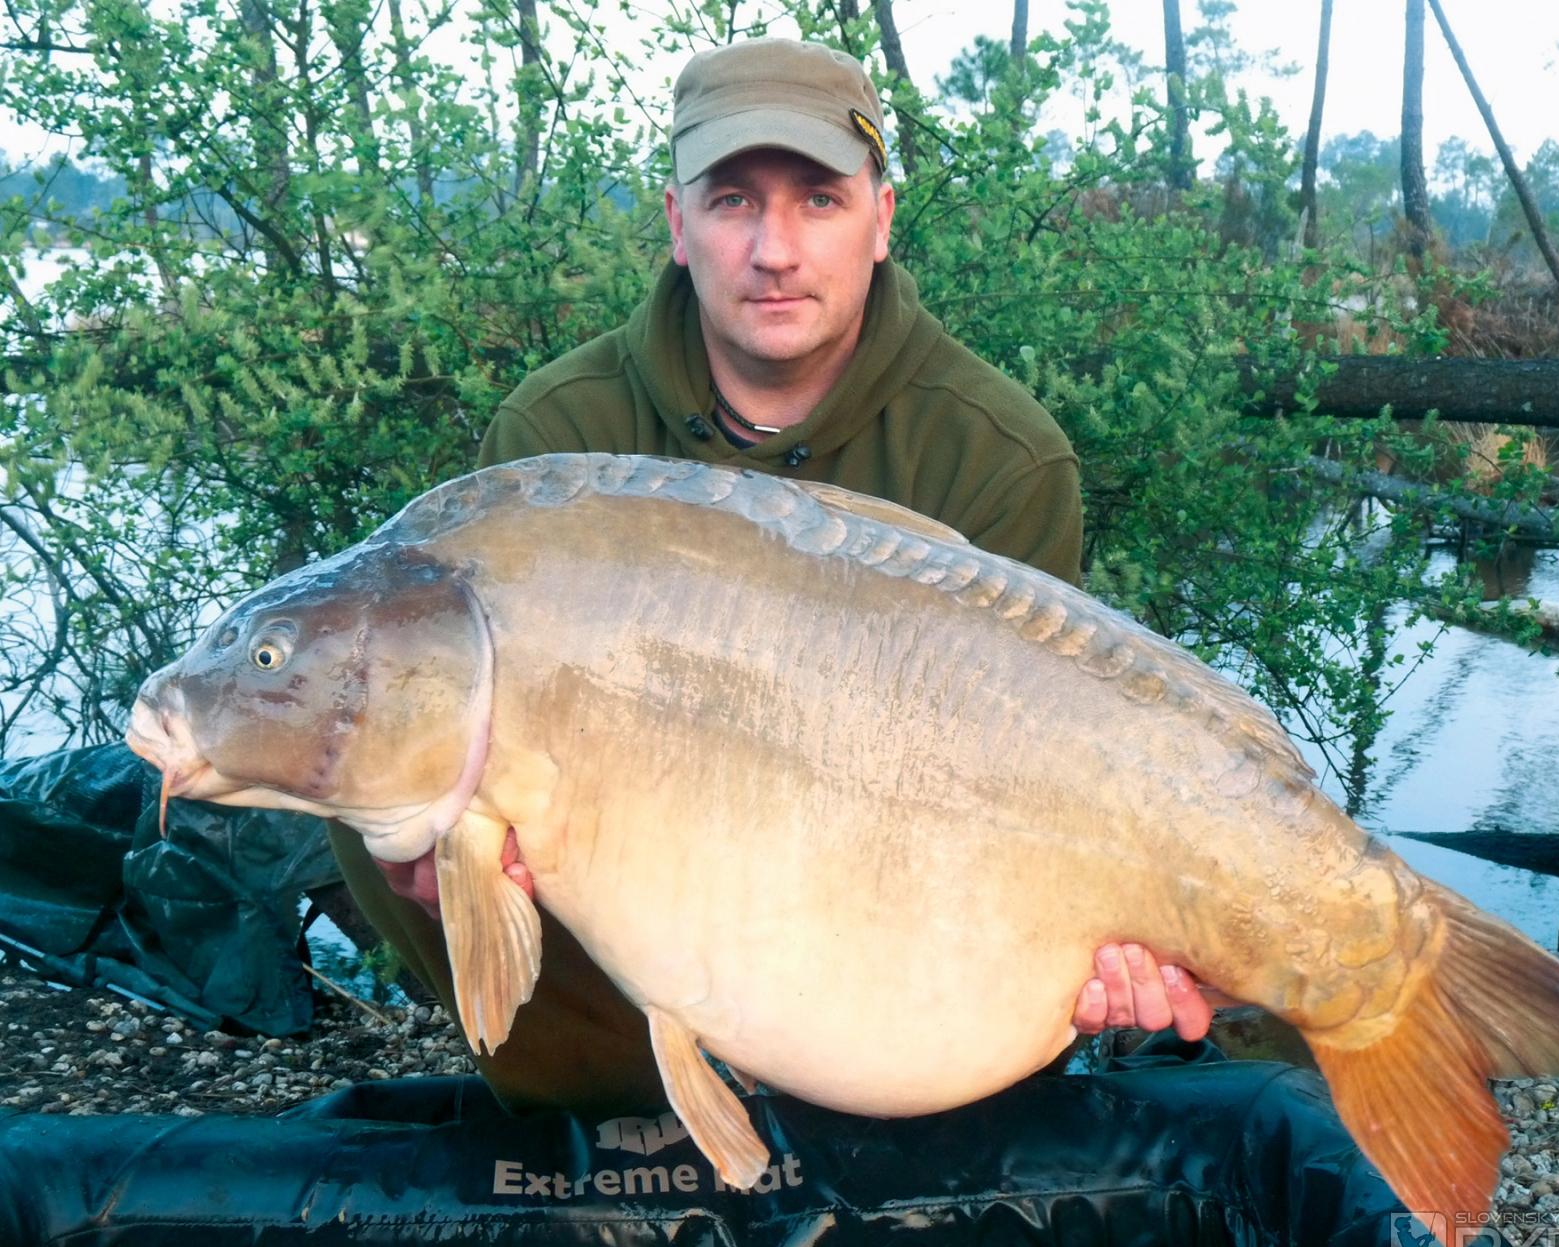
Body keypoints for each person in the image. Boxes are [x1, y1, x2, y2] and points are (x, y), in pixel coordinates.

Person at [324, 36, 1209, 1117]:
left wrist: (1118, 939)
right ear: (676, 223)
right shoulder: (558, 437)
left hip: (903, 868)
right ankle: (605, 1120)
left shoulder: (997, 455)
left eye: (819, 201)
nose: (774, 251)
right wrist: (455, 871)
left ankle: (890, 1123)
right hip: (626, 896)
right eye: (733, 201)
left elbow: (1023, 788)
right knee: (372, 754)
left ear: (881, 220)